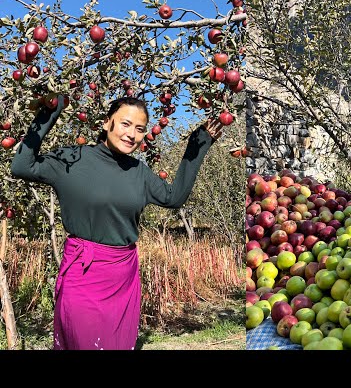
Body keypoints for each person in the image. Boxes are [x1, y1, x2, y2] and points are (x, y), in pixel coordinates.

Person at [10, 95, 223, 350]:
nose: (131, 134)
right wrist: (50, 112)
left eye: (140, 129)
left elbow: (174, 197)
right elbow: (21, 166)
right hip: (83, 272)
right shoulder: (73, 159)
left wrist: (199, 143)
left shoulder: (139, 172)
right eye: (125, 124)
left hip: (123, 275)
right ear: (106, 122)